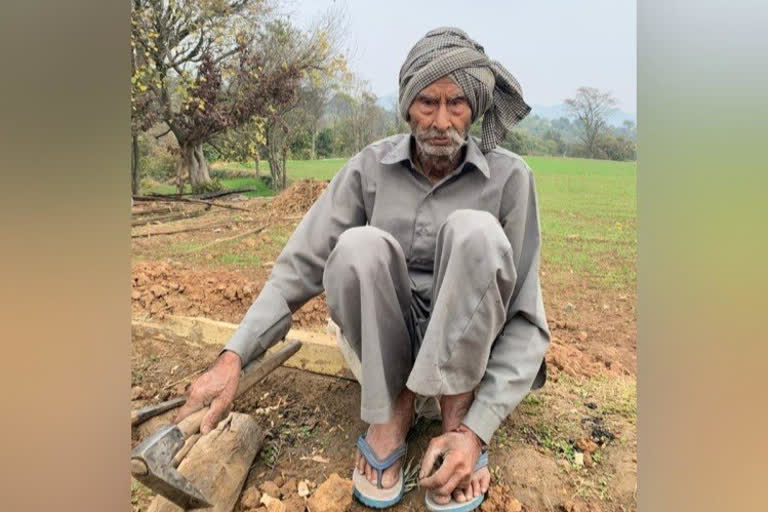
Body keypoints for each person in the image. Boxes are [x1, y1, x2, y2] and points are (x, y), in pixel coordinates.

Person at [175, 27, 550, 512]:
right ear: (406, 104)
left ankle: (456, 423)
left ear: (475, 108)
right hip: (381, 360)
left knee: (476, 233)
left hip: (468, 366)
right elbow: (298, 266)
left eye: (456, 103)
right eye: (427, 102)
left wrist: (481, 427)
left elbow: (524, 315)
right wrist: (231, 358)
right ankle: (391, 412)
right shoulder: (369, 168)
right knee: (357, 245)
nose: (441, 121)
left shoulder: (511, 179)